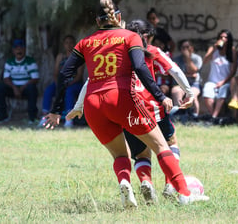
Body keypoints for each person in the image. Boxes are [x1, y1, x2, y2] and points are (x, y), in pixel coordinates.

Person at [43, 0, 208, 208]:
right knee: (161, 145)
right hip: (120, 99)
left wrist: (57, 110)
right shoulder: (130, 37)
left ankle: (125, 183)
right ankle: (185, 194)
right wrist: (160, 96)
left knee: (121, 154)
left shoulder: (86, 41)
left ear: (97, 21)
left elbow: (65, 73)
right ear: (119, 18)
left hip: (94, 105)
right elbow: (140, 68)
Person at [69, 19, 195, 204]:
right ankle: (172, 185)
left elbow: (92, 81)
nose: (150, 42)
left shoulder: (118, 52)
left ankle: (146, 181)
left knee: (141, 154)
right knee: (169, 143)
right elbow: (174, 69)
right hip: (153, 109)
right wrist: (189, 92)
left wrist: (79, 106)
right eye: (150, 38)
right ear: (145, 37)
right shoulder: (152, 51)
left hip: (128, 110)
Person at [40, 35, 84, 127]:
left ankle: (69, 119)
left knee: (69, 91)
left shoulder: (79, 56)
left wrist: (68, 84)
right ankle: (45, 116)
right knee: (49, 90)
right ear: (64, 45)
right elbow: (56, 73)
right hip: (61, 83)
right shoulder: (60, 56)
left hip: (74, 84)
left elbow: (79, 76)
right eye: (66, 43)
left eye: (71, 42)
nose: (69, 45)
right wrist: (58, 83)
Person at [0, 39, 40, 124]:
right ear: (13, 51)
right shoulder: (9, 62)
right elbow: (6, 78)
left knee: (32, 89)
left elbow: (35, 79)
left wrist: (22, 88)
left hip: (26, 88)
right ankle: (2, 116)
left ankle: (32, 117)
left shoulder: (30, 61)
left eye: (21, 48)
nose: (19, 50)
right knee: (0, 87)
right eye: (16, 49)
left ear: (25, 49)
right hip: (13, 88)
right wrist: (15, 88)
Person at [202, 29, 238, 121]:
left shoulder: (232, 51)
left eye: (225, 37)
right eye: (221, 37)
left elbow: (233, 71)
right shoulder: (213, 49)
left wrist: (223, 82)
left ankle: (213, 118)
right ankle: (215, 116)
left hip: (225, 81)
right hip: (212, 81)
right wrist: (214, 49)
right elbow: (205, 61)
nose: (223, 39)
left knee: (222, 93)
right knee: (207, 94)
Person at [171, 40, 202, 118]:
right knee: (176, 91)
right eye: (183, 48)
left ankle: (195, 116)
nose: (185, 49)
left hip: (194, 84)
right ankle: (178, 114)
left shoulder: (197, 58)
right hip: (180, 84)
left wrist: (188, 57)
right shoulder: (176, 59)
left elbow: (193, 70)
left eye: (187, 47)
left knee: (193, 95)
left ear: (192, 48)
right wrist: (189, 75)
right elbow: (176, 74)